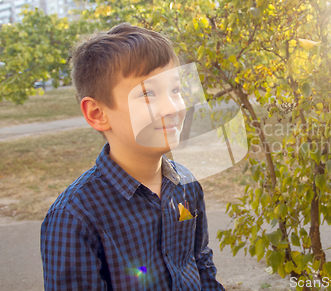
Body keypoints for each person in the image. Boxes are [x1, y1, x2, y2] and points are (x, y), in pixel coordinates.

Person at [40, 23, 225, 291]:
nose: (172, 108)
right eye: (148, 94)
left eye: (175, 90)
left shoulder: (187, 184)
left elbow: (200, 263)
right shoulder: (75, 217)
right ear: (97, 114)